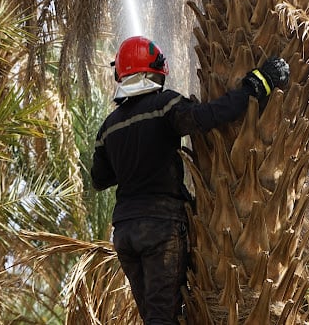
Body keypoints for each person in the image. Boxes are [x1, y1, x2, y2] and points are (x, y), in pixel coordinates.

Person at [90, 35, 290, 324]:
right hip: (160, 228)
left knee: (154, 316)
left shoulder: (109, 127)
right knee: (164, 318)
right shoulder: (163, 105)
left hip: (125, 232)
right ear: (153, 71)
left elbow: (100, 178)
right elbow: (206, 117)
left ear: (121, 74)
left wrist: (130, 158)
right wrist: (258, 83)